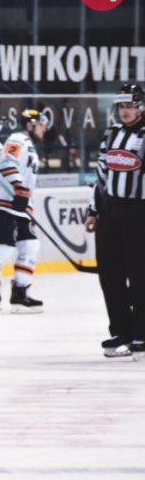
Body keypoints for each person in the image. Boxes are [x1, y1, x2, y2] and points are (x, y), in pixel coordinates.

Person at [84, 84, 145, 360]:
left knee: (140, 274)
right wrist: (93, 211)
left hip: (139, 212)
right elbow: (101, 177)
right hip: (110, 212)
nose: (125, 111)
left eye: (130, 106)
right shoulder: (111, 134)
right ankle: (122, 331)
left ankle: (142, 332)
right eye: (121, 106)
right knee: (110, 275)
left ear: (141, 106)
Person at [0, 108, 47, 314]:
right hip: (4, 202)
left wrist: (24, 196)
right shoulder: (17, 139)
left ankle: (20, 294)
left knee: (30, 246)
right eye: (41, 125)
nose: (44, 130)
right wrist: (18, 186)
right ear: (30, 125)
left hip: (20, 206)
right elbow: (8, 162)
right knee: (2, 249)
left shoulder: (29, 145)